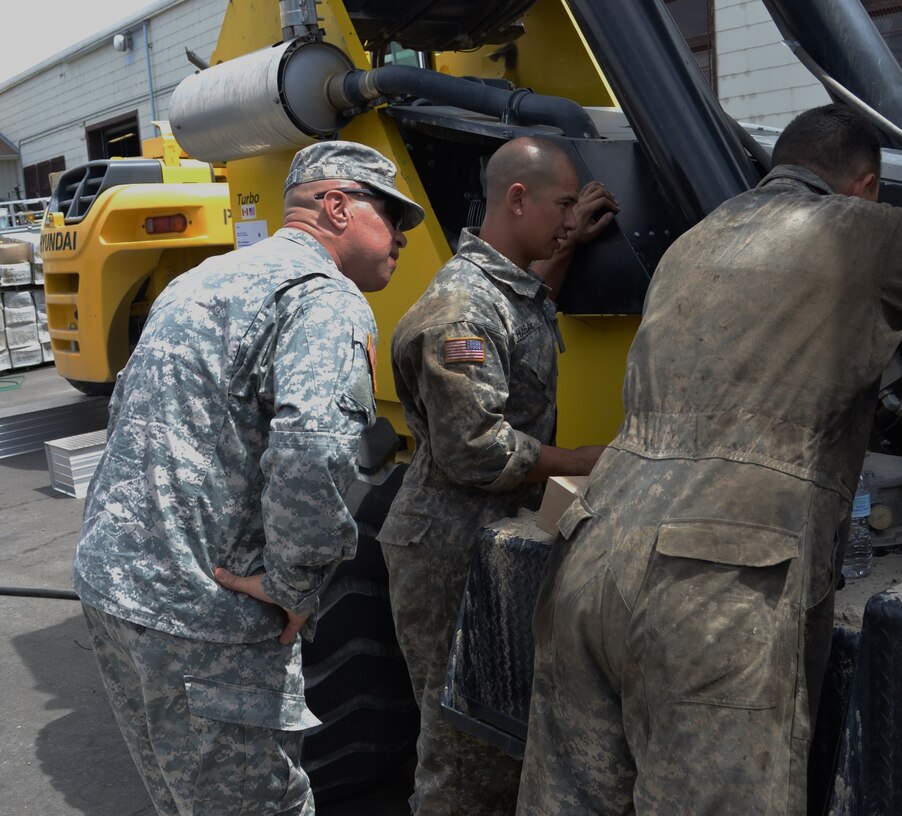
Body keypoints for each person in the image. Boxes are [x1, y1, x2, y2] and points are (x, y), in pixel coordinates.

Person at [516, 104, 902, 816]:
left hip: (590, 554)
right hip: (715, 591)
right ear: (864, 185)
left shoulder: (693, 241)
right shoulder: (864, 230)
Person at [72, 140, 424, 816]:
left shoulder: (201, 281)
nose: (403, 236)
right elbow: (315, 449)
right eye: (392, 216)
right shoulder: (323, 298)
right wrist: (295, 587)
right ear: (337, 206)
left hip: (114, 590)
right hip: (205, 618)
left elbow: (126, 416)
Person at [378, 135, 619, 815]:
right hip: (447, 547)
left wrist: (566, 240)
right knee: (462, 744)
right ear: (518, 199)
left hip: (486, 534)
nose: (570, 217)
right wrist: (585, 461)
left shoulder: (503, 289)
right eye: (561, 204)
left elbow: (526, 314)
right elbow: (476, 448)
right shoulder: (463, 309)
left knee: (500, 730)